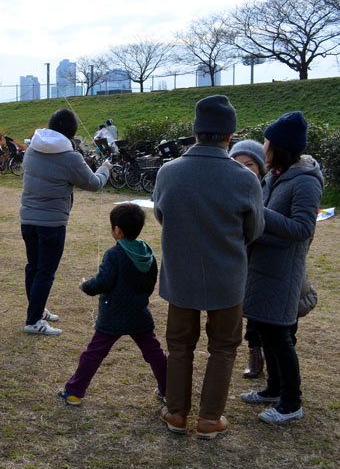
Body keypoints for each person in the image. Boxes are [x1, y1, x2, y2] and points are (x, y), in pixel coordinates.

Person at [152, 95, 264, 439]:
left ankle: (176, 414)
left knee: (180, 345)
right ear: (230, 135)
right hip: (227, 276)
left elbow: (160, 215)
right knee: (224, 347)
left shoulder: (168, 173)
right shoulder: (244, 178)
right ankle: (209, 419)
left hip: (181, 275)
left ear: (196, 131)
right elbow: (254, 229)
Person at [241, 112, 322, 425]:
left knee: (280, 337)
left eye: (267, 141)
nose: (263, 146)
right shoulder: (274, 175)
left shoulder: (305, 180)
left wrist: (258, 213)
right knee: (263, 330)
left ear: (280, 146)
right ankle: (272, 389)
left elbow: (303, 228)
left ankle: (291, 402)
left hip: (282, 271)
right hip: (260, 266)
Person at [56, 204, 167, 406]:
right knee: (155, 352)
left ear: (117, 230)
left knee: (94, 353)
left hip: (113, 314)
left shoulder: (114, 254)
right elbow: (149, 283)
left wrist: (86, 286)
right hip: (139, 312)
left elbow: (103, 282)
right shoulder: (147, 254)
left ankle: (73, 391)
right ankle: (169, 390)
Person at [20, 108, 111, 336]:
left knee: (33, 267)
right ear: (72, 132)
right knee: (45, 272)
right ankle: (33, 320)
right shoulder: (70, 157)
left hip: (28, 219)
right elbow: (93, 183)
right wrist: (105, 169)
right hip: (51, 224)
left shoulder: (32, 148)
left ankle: (37, 310)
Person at [228, 139, 267, 379]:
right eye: (236, 163)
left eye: (249, 163)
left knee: (275, 321)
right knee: (250, 311)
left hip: (268, 260)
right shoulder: (228, 189)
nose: (243, 168)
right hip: (242, 262)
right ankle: (255, 354)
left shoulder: (270, 188)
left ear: (261, 167)